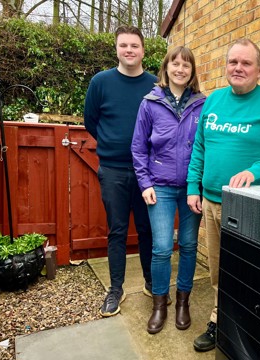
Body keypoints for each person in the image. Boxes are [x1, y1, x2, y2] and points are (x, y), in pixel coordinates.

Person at [186, 38, 260, 352]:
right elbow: (200, 149)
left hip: (250, 208)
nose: (238, 68)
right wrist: (194, 187)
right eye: (233, 62)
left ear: (259, 70)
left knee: (249, 272)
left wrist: (255, 171)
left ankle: (250, 329)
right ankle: (219, 322)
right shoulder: (214, 102)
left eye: (246, 63)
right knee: (219, 269)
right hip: (212, 201)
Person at [84, 25, 157, 317]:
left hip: (146, 173)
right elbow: (91, 121)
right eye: (123, 45)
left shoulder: (154, 85)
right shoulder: (100, 82)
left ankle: (153, 283)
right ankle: (116, 289)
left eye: (135, 46)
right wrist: (113, 144)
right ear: (116, 48)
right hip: (113, 169)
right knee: (116, 230)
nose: (129, 50)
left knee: (146, 230)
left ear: (143, 50)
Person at [131, 46, 205, 334]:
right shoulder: (150, 103)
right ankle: (159, 304)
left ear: (192, 71)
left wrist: (197, 185)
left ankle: (183, 301)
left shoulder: (202, 104)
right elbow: (138, 147)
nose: (180, 69)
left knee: (188, 245)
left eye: (186, 65)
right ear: (166, 67)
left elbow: (205, 147)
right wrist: (145, 183)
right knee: (161, 248)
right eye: (175, 64)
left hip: (190, 188)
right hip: (159, 187)